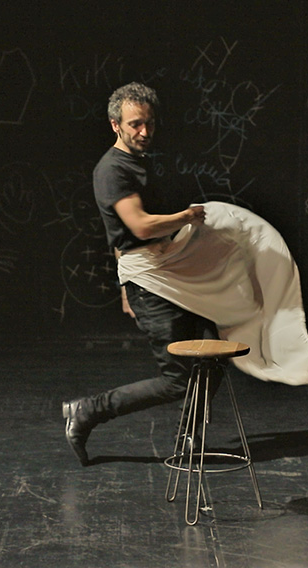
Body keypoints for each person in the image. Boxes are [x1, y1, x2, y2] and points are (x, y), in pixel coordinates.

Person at [62, 82, 223, 467]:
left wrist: (123, 288)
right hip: (151, 281)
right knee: (177, 379)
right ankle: (88, 411)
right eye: (135, 124)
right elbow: (139, 226)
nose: (145, 132)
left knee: (213, 351)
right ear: (115, 124)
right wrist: (187, 216)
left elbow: (121, 234)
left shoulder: (138, 162)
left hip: (169, 273)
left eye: (149, 123)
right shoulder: (113, 170)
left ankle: (188, 437)